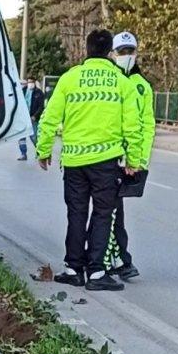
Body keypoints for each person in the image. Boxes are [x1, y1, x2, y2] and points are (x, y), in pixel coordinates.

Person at [35, 29, 142, 292]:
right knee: (103, 215)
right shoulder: (121, 82)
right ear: (110, 52)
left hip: (73, 161)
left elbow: (49, 117)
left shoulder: (70, 78)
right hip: (106, 162)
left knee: (76, 214)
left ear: (86, 49)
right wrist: (134, 159)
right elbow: (133, 125)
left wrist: (43, 150)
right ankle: (96, 273)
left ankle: (73, 269)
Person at [107, 31, 155, 281]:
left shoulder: (142, 86)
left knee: (114, 211)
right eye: (122, 52)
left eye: (130, 52)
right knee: (107, 211)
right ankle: (111, 260)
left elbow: (147, 127)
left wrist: (138, 161)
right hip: (105, 154)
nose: (126, 56)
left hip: (127, 161)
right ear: (112, 54)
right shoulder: (107, 79)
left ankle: (119, 260)